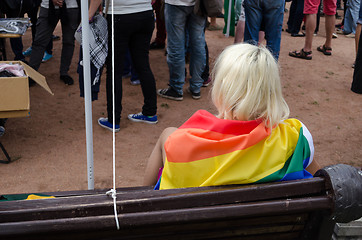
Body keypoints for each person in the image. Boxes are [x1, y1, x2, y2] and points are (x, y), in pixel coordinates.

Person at [144, 43, 320, 189]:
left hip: (197, 229)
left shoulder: (182, 144)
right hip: (276, 228)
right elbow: (323, 181)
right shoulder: (296, 138)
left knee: (167, 134)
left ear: (223, 91)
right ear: (272, 91)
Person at [89, 0, 158, 132]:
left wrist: (89, 15)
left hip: (120, 15)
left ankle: (113, 120)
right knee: (143, 65)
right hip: (144, 14)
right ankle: (150, 112)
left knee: (115, 70)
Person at [157, 0, 207, 101]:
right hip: (198, 4)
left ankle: (176, 88)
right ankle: (196, 87)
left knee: (176, 46)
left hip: (176, 4)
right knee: (198, 45)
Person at [28, 0, 81, 85]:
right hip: (48, 6)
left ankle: (64, 73)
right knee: (39, 41)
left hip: (71, 6)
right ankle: (31, 74)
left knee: (69, 41)